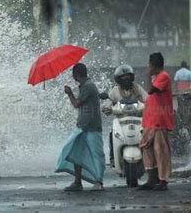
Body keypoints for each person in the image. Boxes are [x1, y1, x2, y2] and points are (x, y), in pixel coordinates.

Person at [55, 63, 105, 191]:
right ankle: (77, 182)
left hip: (92, 127)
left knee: (97, 154)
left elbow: (77, 104)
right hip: (83, 126)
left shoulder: (88, 87)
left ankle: (99, 181)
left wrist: (69, 93)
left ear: (76, 75)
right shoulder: (85, 86)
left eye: (73, 75)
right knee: (75, 152)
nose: (72, 77)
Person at [137, 52, 174, 191]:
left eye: (149, 64)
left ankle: (163, 181)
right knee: (147, 148)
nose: (148, 67)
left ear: (152, 64)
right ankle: (152, 179)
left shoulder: (163, 76)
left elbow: (151, 91)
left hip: (159, 120)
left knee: (161, 150)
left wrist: (147, 76)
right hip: (150, 120)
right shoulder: (157, 77)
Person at [102, 64, 147, 164]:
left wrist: (148, 105)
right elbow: (108, 103)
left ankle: (148, 157)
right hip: (121, 121)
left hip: (138, 120)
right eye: (124, 77)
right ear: (118, 79)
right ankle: (113, 157)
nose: (126, 79)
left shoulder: (137, 88)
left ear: (132, 77)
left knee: (147, 133)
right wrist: (107, 108)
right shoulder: (114, 91)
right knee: (112, 134)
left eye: (128, 76)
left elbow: (147, 98)